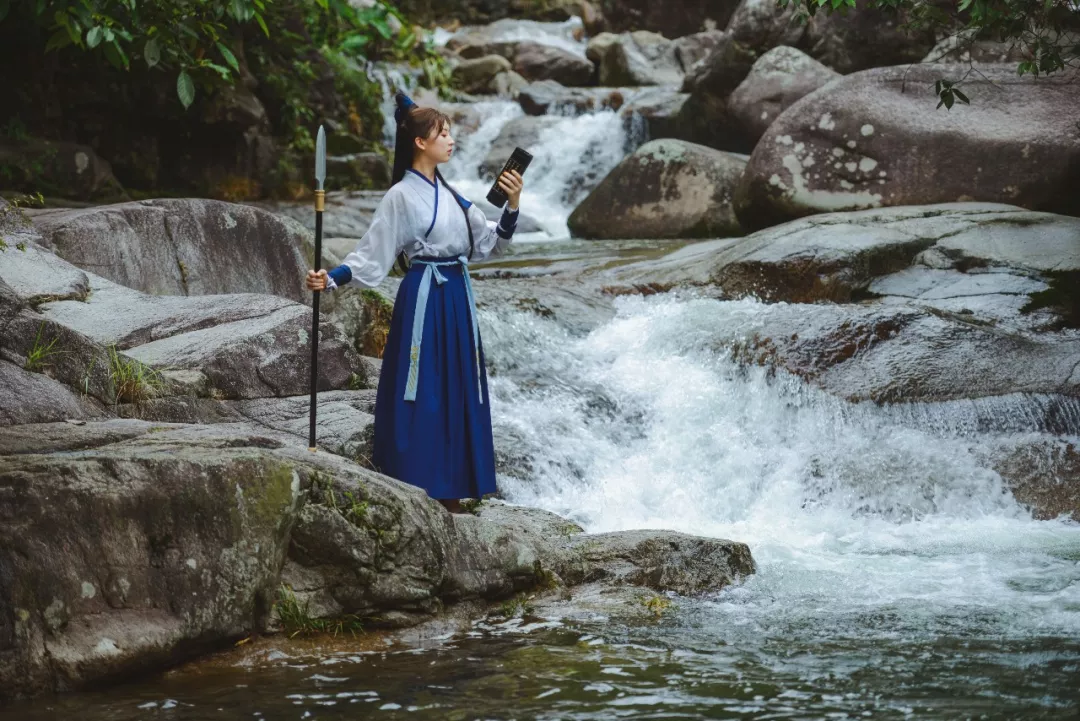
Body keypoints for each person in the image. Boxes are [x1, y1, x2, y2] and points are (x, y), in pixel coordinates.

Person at [306, 92, 525, 514]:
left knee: (459, 385)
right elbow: (373, 254)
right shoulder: (400, 196)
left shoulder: (455, 196)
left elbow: (489, 244)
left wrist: (513, 204)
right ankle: (417, 479)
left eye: (450, 133)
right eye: (442, 133)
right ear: (420, 143)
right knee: (422, 389)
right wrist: (330, 278)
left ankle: (457, 484)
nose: (450, 139)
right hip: (425, 295)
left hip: (457, 295)